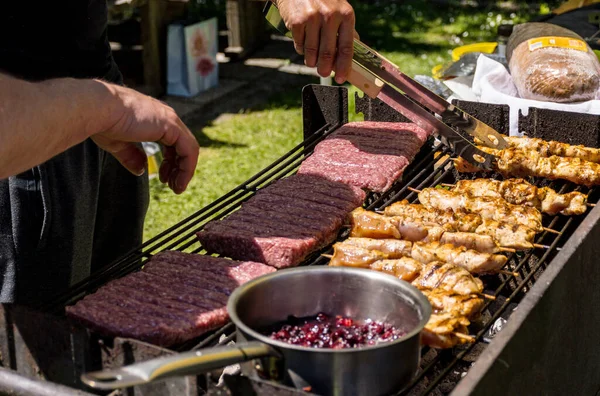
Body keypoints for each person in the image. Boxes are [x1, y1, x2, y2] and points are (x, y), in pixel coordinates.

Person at [0, 0, 356, 306]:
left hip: (97, 98)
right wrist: (109, 107)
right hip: (28, 130)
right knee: (44, 355)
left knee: (111, 310)